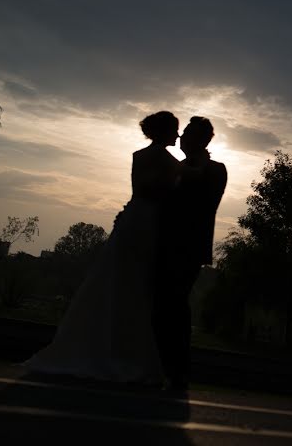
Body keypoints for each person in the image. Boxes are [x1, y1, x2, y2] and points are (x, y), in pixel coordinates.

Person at [25, 112, 182, 384]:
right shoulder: (168, 162)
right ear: (165, 131)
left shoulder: (139, 155)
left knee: (114, 281)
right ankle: (122, 352)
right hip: (148, 222)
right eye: (175, 130)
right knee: (134, 285)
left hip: (133, 216)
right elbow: (158, 192)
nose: (178, 136)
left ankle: (100, 345)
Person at [152, 116, 227, 391]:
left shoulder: (216, 170)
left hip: (188, 249)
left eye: (186, 134)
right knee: (162, 307)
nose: (181, 137)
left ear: (199, 140)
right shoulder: (178, 166)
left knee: (175, 306)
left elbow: (200, 202)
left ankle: (177, 370)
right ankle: (163, 366)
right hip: (165, 245)